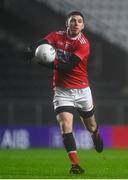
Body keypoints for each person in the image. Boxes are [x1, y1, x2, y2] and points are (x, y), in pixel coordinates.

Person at [25, 11, 103, 174]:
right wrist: (30, 50)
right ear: (67, 23)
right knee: (65, 126)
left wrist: (43, 62)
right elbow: (42, 42)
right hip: (62, 90)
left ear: (83, 26)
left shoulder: (83, 44)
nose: (76, 23)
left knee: (91, 125)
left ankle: (95, 134)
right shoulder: (56, 36)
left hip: (82, 90)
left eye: (79, 21)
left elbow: (67, 67)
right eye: (73, 20)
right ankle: (75, 165)